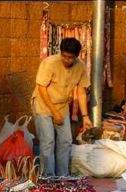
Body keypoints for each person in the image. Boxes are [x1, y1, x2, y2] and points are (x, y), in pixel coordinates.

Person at [32, 37, 93, 176]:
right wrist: (54, 113)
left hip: (62, 105)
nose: (66, 60)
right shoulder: (49, 63)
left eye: (70, 58)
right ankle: (49, 178)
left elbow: (81, 92)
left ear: (76, 56)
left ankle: (63, 177)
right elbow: (41, 88)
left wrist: (85, 117)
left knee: (66, 141)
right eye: (64, 56)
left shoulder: (81, 67)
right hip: (43, 103)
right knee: (48, 141)